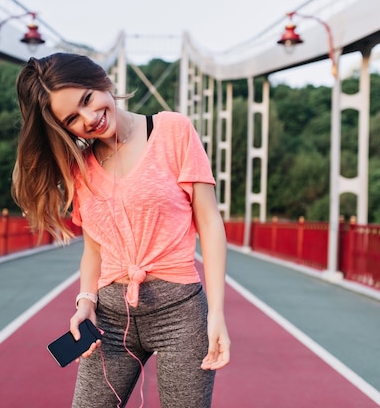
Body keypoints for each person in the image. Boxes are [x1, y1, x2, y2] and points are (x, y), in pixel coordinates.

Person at [12, 52, 230, 408]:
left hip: (180, 313)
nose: (90, 118)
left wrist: (217, 314)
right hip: (110, 319)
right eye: (72, 118)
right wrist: (86, 302)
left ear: (101, 81)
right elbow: (94, 250)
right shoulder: (79, 167)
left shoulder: (172, 130)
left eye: (87, 100)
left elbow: (209, 222)